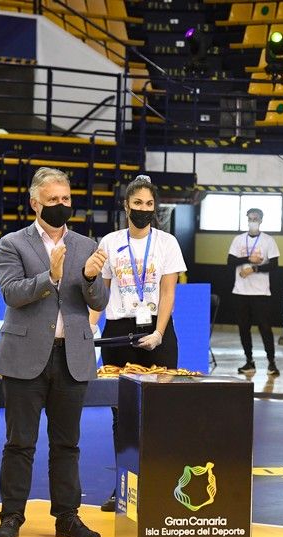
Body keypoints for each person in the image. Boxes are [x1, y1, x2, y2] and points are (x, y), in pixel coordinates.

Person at [0, 167, 110, 537]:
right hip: (25, 356)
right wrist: (51, 277)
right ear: (35, 203)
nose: (61, 206)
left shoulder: (87, 245)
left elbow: (100, 301)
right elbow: (11, 293)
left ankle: (67, 517)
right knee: (20, 442)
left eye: (66, 199)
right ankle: (11, 516)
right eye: (53, 200)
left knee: (67, 444)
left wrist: (91, 279)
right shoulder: (13, 243)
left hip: (72, 356)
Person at [96, 174, 187, 512]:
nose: (143, 209)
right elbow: (100, 292)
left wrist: (160, 332)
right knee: (121, 413)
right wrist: (93, 326)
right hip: (119, 330)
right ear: (126, 206)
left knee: (160, 411)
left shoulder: (167, 243)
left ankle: (163, 484)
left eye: (149, 205)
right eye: (138, 204)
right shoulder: (109, 242)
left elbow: (168, 292)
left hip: (156, 330)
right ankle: (123, 486)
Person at [228, 208, 281, 376]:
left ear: (261, 220)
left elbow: (274, 265)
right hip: (240, 292)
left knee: (265, 328)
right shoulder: (238, 240)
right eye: (250, 218)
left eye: (255, 218)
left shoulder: (268, 240)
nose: (252, 221)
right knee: (244, 328)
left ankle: (271, 362)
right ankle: (249, 361)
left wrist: (254, 269)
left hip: (261, 293)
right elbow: (230, 261)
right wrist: (247, 259)